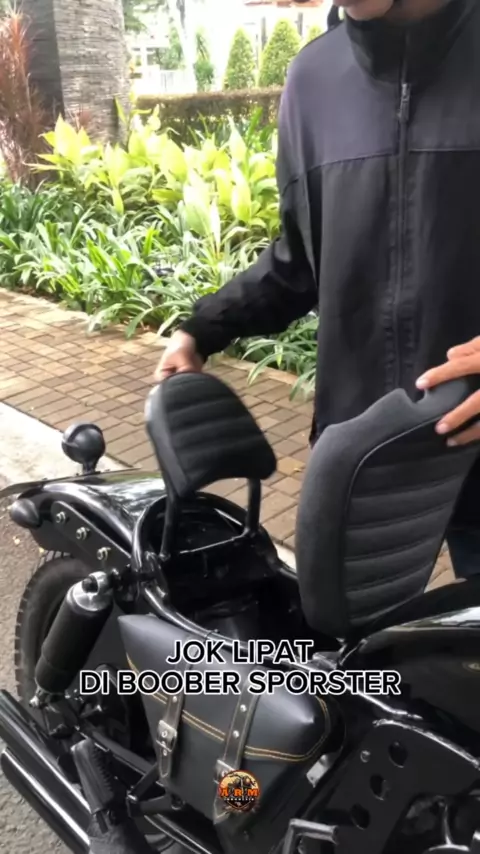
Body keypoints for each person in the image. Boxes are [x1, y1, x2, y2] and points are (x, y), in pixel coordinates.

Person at [155, 0, 480, 578]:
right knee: (347, 637)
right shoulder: (312, 79)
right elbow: (302, 259)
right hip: (362, 457)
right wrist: (201, 330)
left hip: (474, 448)